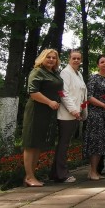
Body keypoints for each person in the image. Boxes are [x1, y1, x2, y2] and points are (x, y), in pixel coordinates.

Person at [21, 49, 63, 187]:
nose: (51, 60)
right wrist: (50, 102)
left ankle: (32, 175)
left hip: (47, 112)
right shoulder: (37, 71)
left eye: (54, 58)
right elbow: (33, 92)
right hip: (36, 111)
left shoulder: (54, 73)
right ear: (42, 58)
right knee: (30, 143)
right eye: (48, 57)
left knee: (38, 144)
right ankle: (29, 176)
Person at [50, 49, 87, 183]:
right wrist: (73, 110)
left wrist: (82, 110)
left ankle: (55, 173)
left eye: (78, 58)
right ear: (69, 59)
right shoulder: (65, 72)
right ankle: (62, 174)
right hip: (67, 114)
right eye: (74, 58)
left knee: (64, 143)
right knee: (63, 144)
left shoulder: (79, 74)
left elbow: (82, 94)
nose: (76, 60)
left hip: (76, 113)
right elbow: (63, 93)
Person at [83, 55, 105, 180]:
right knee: (96, 143)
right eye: (102, 62)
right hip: (96, 114)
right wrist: (104, 106)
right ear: (98, 65)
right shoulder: (93, 78)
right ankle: (92, 171)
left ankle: (95, 171)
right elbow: (89, 97)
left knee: (102, 143)